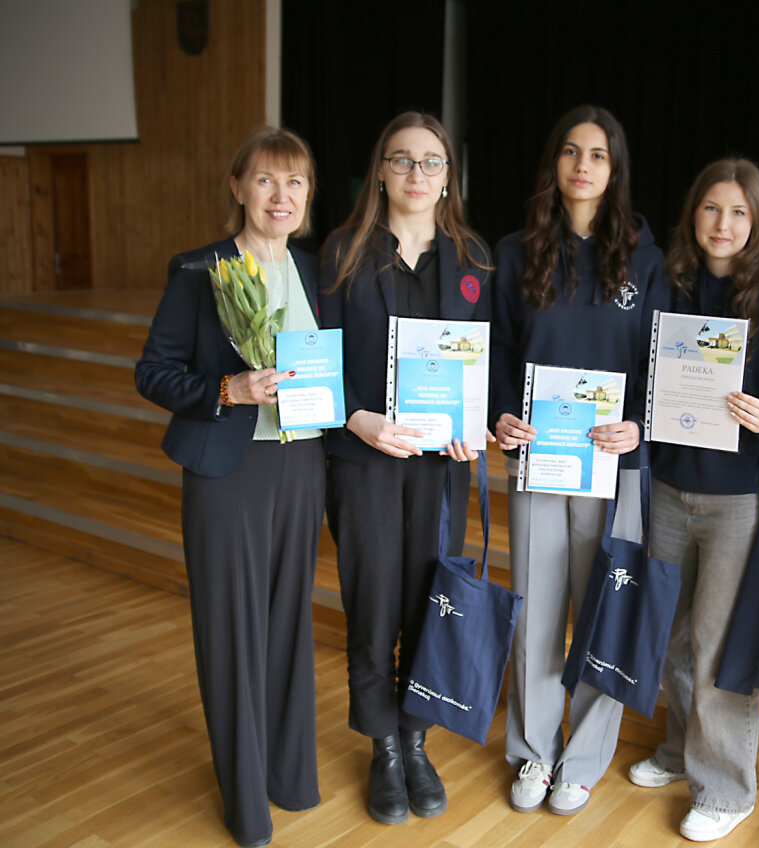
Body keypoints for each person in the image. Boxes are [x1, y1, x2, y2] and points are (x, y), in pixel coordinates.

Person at [134, 127, 323, 848]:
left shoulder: (316, 272)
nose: (281, 195)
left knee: (288, 625)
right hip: (227, 469)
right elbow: (153, 372)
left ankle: (288, 775)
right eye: (266, 180)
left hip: (301, 467)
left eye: (295, 182)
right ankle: (246, 802)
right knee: (231, 631)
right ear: (239, 187)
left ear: (307, 195)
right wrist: (226, 389)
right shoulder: (199, 270)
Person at [626, 158, 759, 842]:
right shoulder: (668, 284)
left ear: (758, 221)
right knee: (673, 635)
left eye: (739, 212)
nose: (723, 224)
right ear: (693, 214)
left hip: (738, 498)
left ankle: (727, 788)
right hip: (668, 487)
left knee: (720, 643)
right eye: (712, 208)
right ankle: (682, 748)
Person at [491, 104, 668, 816]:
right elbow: (499, 349)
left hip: (610, 464)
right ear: (554, 164)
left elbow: (661, 363)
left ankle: (586, 758)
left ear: (614, 168)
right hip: (537, 459)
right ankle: (534, 750)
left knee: (603, 609)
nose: (583, 165)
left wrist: (639, 426)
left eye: (597, 154)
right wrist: (500, 413)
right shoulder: (516, 252)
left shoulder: (647, 259)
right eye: (570, 151)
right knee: (535, 610)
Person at [317, 111, 491, 826]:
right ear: (380, 170)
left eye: (431, 161)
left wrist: (479, 423)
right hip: (362, 456)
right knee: (372, 604)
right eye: (402, 160)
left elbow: (489, 358)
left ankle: (416, 740)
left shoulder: (474, 257)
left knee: (427, 599)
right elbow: (317, 357)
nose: (417, 174)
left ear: (448, 175)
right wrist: (355, 417)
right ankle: (382, 747)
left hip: (439, 466)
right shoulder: (342, 251)